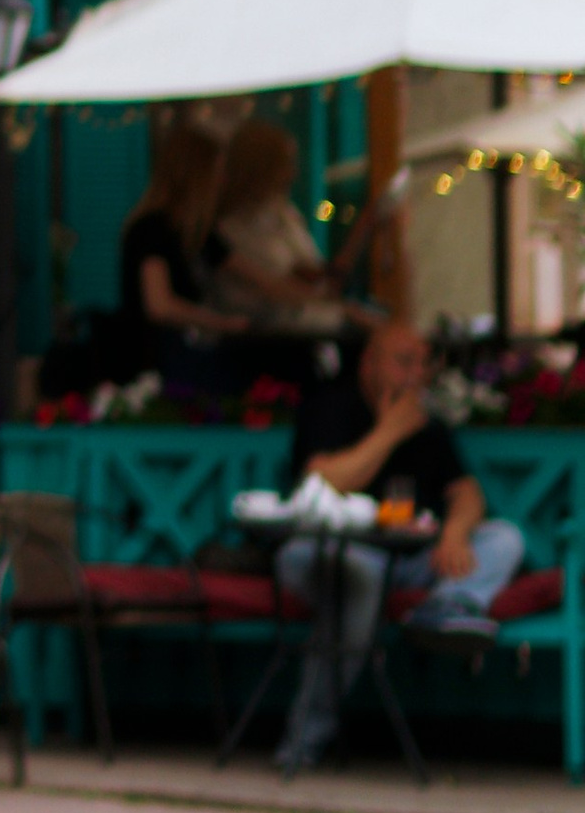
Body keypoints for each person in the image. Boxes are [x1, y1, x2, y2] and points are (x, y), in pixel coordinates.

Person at [273, 314, 524, 774]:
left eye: (423, 364)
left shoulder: (428, 424)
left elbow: (466, 492)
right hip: (325, 551)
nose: (415, 376)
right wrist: (389, 432)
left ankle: (448, 609)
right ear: (369, 363)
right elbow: (324, 482)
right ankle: (303, 742)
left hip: (408, 559)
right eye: (403, 362)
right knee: (359, 581)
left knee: (504, 538)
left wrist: (454, 532)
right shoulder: (332, 406)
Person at [208, 117, 381, 333]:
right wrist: (341, 308)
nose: (293, 173)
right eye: (285, 164)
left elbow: (314, 274)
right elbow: (278, 289)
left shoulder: (284, 213)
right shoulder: (231, 230)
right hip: (276, 334)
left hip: (314, 319)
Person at [110, 117, 252, 379]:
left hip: (179, 357)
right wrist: (221, 323)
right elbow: (159, 305)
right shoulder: (152, 229)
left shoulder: (195, 231)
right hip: (156, 365)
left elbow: (253, 276)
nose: (223, 181)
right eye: (218, 171)